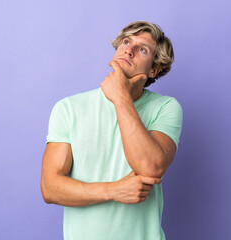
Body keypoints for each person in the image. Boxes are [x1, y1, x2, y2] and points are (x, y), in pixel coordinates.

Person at [40, 21, 183, 240]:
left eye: (142, 49)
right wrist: (114, 190)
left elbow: (151, 167)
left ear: (154, 69)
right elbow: (50, 188)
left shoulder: (165, 108)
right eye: (126, 42)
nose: (129, 49)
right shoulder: (68, 108)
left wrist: (121, 97)